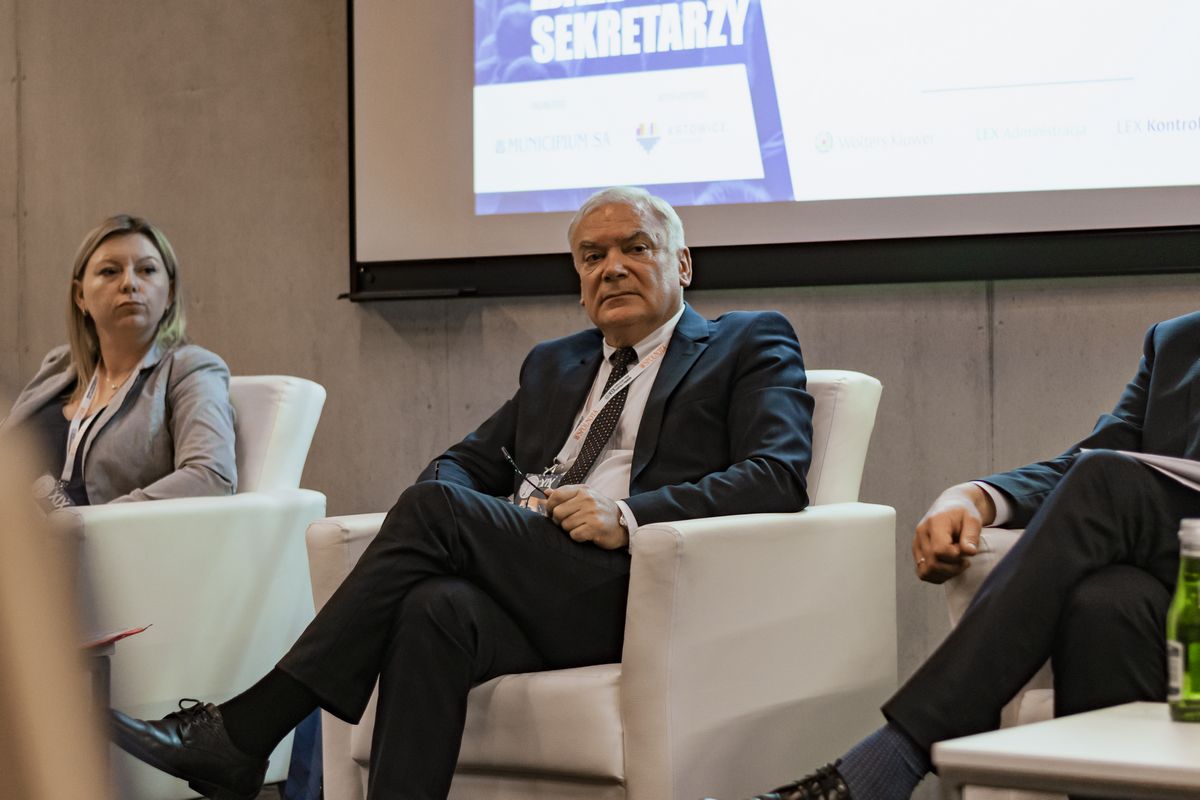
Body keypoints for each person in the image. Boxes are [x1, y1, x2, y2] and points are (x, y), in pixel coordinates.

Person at [110, 186, 815, 800]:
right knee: (433, 608)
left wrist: (627, 514)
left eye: (636, 248)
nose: (613, 267)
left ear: (682, 263)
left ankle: (245, 730)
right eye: (592, 256)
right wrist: (498, 523)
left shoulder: (746, 342)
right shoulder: (557, 364)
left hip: (640, 583)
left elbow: (777, 473)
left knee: (434, 512)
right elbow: (457, 466)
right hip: (537, 575)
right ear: (578, 278)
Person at [715, 310, 1200, 800]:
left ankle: (886, 764)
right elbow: (1094, 459)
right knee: (1106, 603)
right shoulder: (1179, 340)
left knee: (1107, 484)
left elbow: (1111, 479)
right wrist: (972, 497)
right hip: (1182, 591)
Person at [0, 214, 236, 506]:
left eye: (147, 270)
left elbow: (211, 476)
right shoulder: (60, 364)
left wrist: (103, 520)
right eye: (110, 271)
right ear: (80, 296)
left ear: (170, 293)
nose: (129, 283)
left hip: (102, 535)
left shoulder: (190, 368)